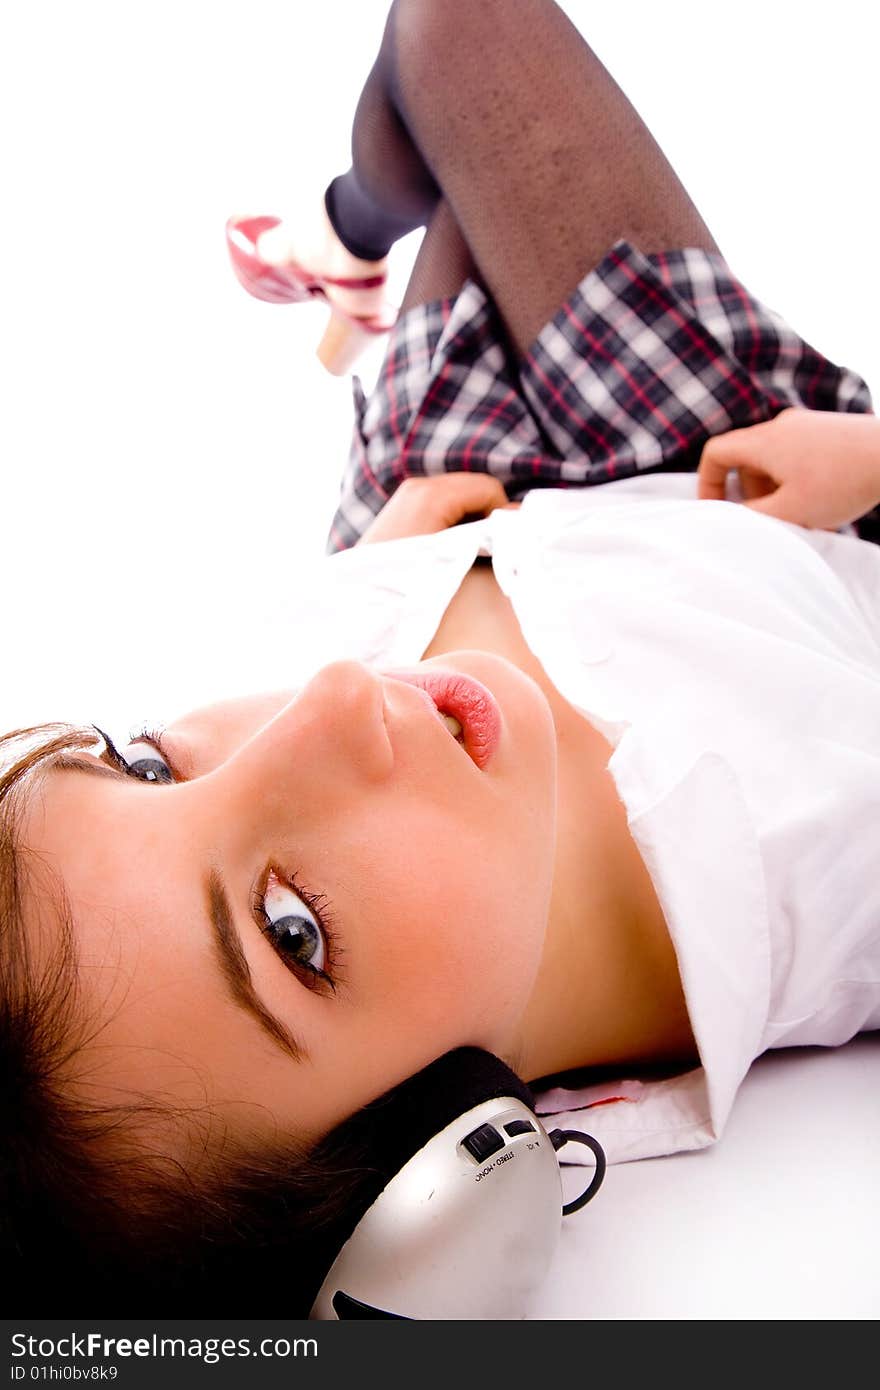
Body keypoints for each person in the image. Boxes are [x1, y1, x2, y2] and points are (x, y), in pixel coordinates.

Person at [3, 0, 879, 1316]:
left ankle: (348, 235)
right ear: (427, 1179)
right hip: (728, 476)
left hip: (441, 522)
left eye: (147, 763)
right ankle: (349, 246)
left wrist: (379, 561)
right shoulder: (837, 850)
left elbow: (323, 658)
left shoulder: (342, 681)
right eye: (295, 930)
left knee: (448, 23)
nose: (326, 703)